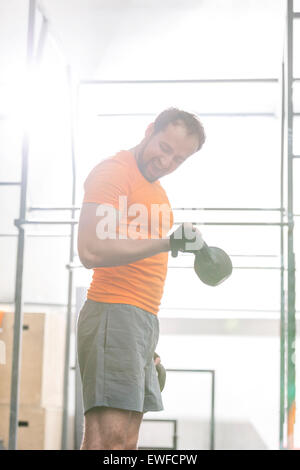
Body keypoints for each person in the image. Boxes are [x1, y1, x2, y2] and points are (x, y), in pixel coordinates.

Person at [77, 107, 206, 450]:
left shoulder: (158, 193)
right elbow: (91, 250)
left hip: (139, 319)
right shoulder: (114, 173)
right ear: (150, 129)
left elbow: (142, 263)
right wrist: (169, 241)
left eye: (178, 159)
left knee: (125, 442)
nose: (167, 162)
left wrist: (147, 343)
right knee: (111, 439)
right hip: (112, 310)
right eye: (165, 148)